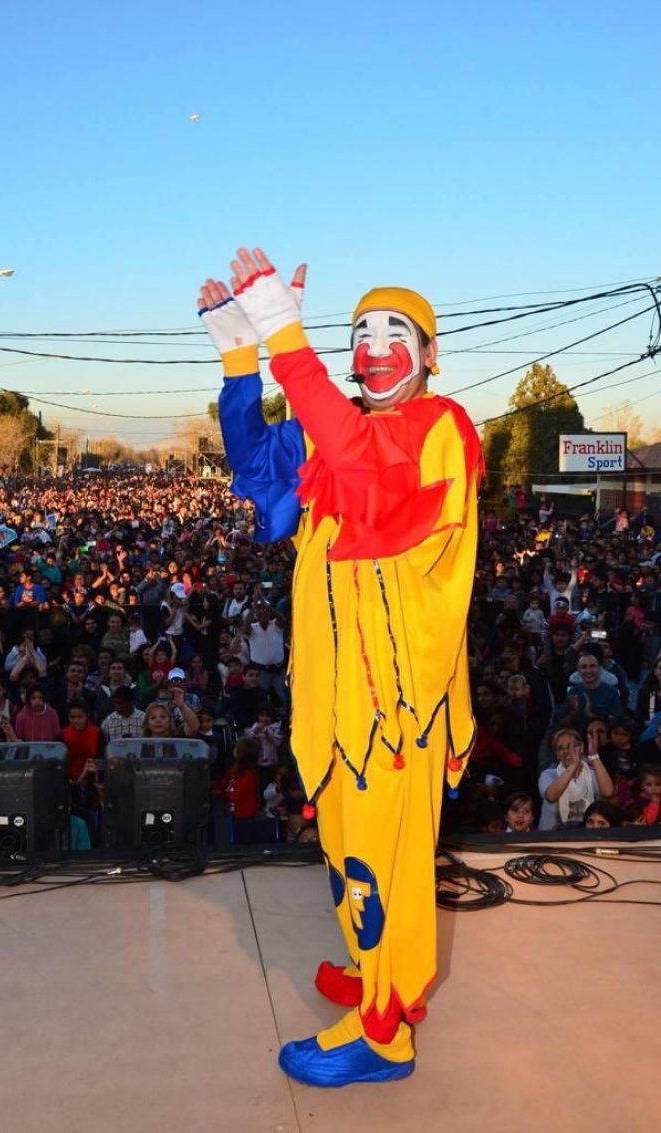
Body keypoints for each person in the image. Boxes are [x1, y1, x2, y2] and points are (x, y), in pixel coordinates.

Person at [201, 247, 482, 1086]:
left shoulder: (443, 430)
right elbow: (257, 472)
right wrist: (241, 354)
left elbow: (371, 483)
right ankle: (381, 973)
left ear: (431, 355)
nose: (375, 348)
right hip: (338, 701)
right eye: (360, 333)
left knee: (381, 858)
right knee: (349, 849)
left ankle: (385, 1032)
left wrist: (288, 336)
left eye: (397, 334)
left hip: (394, 706)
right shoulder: (335, 433)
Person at [538, 728, 614, 830]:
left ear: (581, 748)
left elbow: (608, 792)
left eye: (571, 746)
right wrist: (573, 765)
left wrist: (594, 755)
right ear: (557, 755)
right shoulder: (548, 775)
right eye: (560, 748)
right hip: (551, 836)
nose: (566, 751)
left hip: (585, 835)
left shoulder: (591, 775)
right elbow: (551, 796)